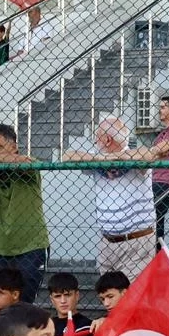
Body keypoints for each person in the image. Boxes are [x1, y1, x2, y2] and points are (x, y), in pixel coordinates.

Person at [67, 116, 157, 280]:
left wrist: (115, 158)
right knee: (109, 295)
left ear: (107, 140)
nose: (95, 139)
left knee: (131, 297)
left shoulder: (133, 155)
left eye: (97, 135)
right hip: (107, 242)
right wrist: (102, 159)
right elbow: (68, 155)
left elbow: (148, 155)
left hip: (136, 241)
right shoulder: (96, 158)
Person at [0, 122, 47, 306]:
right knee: (4, 305)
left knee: (24, 304)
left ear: (13, 147)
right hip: (2, 248)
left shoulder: (26, 168)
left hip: (30, 247)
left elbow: (30, 163)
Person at [132, 95, 169, 242]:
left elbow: (158, 150)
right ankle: (155, 251)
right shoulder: (164, 133)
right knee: (151, 218)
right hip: (155, 180)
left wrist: (148, 152)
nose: (159, 110)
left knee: (153, 217)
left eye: (163, 107)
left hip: (167, 182)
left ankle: (156, 252)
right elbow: (155, 153)